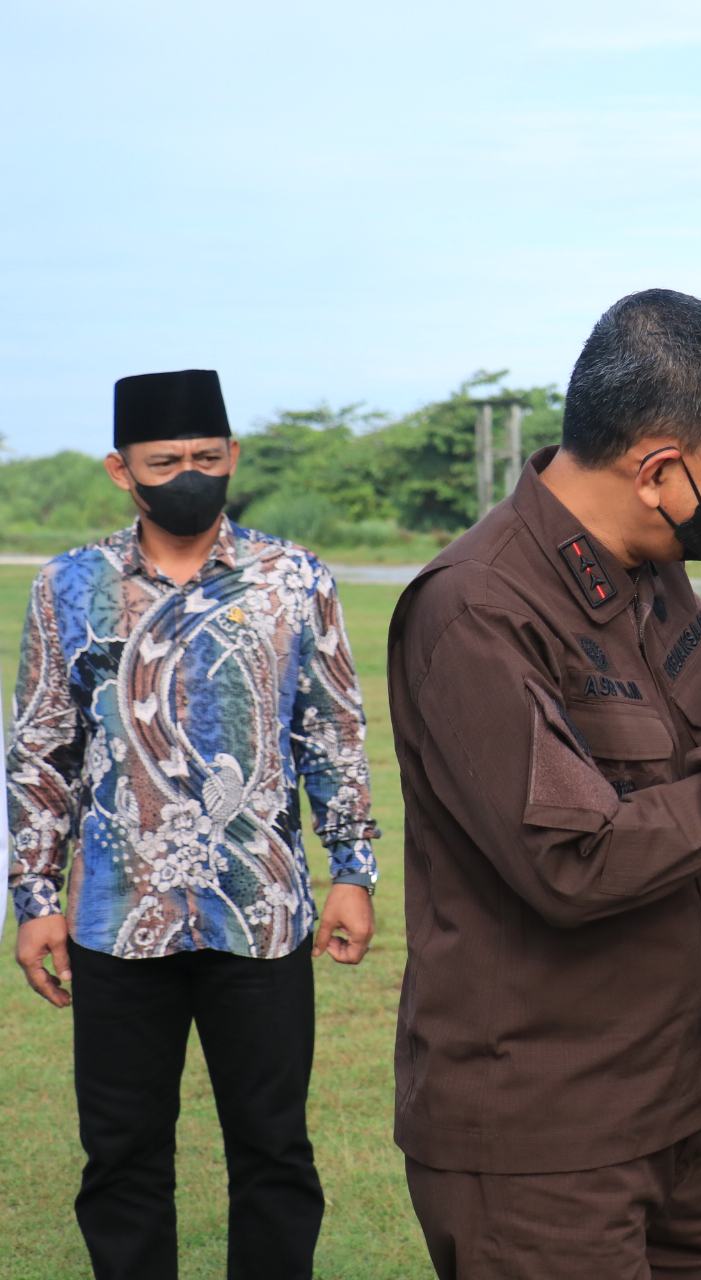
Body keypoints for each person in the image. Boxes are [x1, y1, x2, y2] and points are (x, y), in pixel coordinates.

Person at [387, 288, 701, 1278]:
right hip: (546, 1139)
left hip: (673, 1106)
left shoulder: (651, 573)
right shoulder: (476, 612)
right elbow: (577, 858)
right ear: (658, 469)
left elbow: (699, 768)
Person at [9, 368, 380, 1280]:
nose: (189, 474)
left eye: (207, 457)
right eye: (165, 460)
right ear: (119, 470)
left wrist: (353, 871)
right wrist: (32, 897)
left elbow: (332, 730)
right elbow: (39, 750)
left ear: (234, 458)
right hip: (112, 920)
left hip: (259, 917)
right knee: (123, 1156)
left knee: (274, 1151)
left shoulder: (292, 579)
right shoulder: (68, 587)